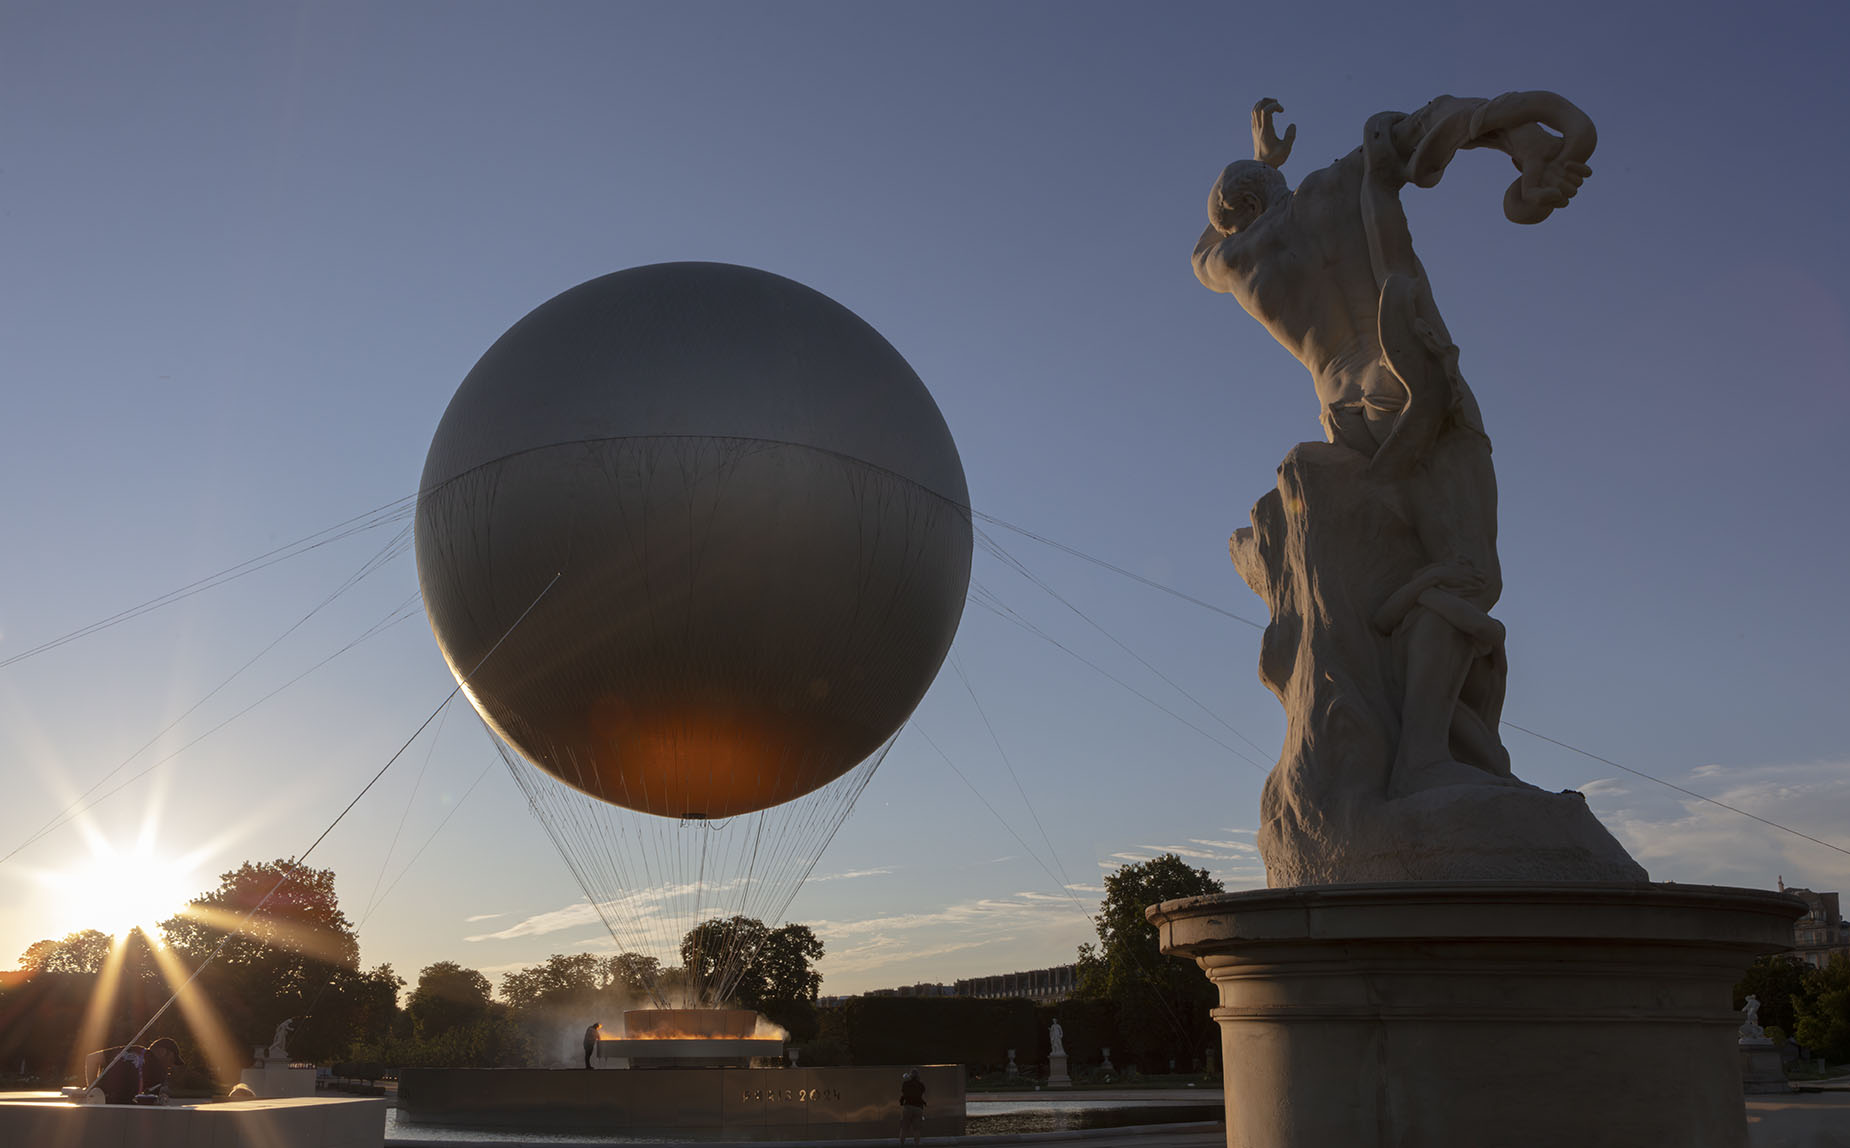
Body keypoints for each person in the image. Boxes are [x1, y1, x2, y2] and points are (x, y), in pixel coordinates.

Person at [1197, 93, 1592, 796]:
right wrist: (1526, 140)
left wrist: (1256, 165)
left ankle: (1427, 729)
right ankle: (1423, 759)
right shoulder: (1331, 189)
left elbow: (1201, 248)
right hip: (1405, 377)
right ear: (1275, 192)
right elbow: (1423, 128)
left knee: (1415, 572)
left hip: (1342, 408)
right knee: (1467, 574)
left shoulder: (1235, 262)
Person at [84, 1037, 184, 1104]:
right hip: (120, 1113)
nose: (170, 1066)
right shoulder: (159, 1072)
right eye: (171, 1060)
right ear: (162, 1052)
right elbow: (153, 1102)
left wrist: (93, 1089)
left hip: (98, 1103)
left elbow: (91, 1059)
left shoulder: (132, 1049)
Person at [898, 1068, 926, 1145]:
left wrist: (901, 1102)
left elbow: (904, 1094)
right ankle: (916, 1145)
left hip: (908, 1107)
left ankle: (902, 1145)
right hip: (918, 1108)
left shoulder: (906, 1083)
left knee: (904, 1128)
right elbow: (922, 1093)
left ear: (911, 1075)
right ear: (918, 1076)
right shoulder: (921, 1085)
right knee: (917, 1129)